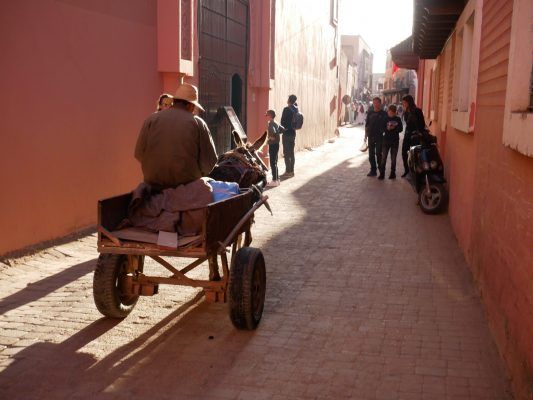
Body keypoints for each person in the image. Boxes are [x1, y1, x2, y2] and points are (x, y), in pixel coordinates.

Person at [135, 83, 217, 189]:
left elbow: (138, 154)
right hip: (187, 185)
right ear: (190, 105)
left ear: (174, 102)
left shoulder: (151, 119)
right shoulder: (197, 123)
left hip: (153, 184)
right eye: (194, 107)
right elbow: (209, 162)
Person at [401, 95, 426, 177]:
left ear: (408, 102)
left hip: (416, 135)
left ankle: (416, 172)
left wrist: (419, 133)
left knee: (416, 154)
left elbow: (422, 124)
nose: (403, 104)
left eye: (404, 102)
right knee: (404, 152)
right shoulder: (405, 112)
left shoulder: (418, 111)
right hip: (408, 135)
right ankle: (407, 170)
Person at [365, 97, 388, 177]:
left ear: (380, 103)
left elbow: (387, 125)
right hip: (370, 136)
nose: (375, 104)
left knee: (378, 154)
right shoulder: (370, 113)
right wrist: (365, 136)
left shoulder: (384, 114)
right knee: (371, 155)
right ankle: (373, 170)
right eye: (374, 102)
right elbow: (367, 124)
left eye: (377, 102)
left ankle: (381, 171)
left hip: (380, 137)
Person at [379, 104, 403, 180]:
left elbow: (401, 129)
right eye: (389, 111)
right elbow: (381, 129)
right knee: (383, 158)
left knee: (393, 158)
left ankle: (393, 173)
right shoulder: (385, 118)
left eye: (392, 112)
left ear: (395, 112)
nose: (390, 113)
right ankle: (382, 173)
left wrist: (394, 128)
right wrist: (387, 129)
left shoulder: (398, 119)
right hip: (386, 140)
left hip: (395, 141)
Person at [280, 94, 298, 178]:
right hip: (293, 133)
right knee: (291, 152)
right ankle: (292, 171)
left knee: (286, 153)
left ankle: (288, 171)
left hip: (286, 133)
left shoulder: (286, 109)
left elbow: (282, 122)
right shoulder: (296, 109)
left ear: (289, 100)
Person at [265, 109, 281, 187]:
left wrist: (268, 139)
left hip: (273, 145)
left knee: (272, 162)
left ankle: (274, 180)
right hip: (277, 144)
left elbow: (273, 135)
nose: (266, 117)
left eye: (267, 115)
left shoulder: (270, 124)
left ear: (270, 116)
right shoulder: (276, 123)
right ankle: (277, 179)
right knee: (275, 162)